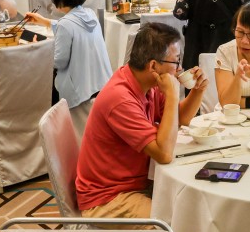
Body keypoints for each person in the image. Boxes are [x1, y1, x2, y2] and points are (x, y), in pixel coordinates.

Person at [76, 22, 206, 216]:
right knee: (176, 225)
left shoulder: (146, 83)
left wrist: (197, 91)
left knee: (191, 206)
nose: (180, 69)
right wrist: (172, 95)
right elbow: (164, 154)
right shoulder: (120, 99)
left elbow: (181, 120)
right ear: (153, 65)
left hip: (135, 182)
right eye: (176, 61)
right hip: (108, 198)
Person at [25, 0, 113, 136]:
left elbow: (59, 61)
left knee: (44, 85)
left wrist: (39, 47)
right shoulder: (89, 14)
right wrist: (45, 22)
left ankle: (47, 136)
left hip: (81, 91)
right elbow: (73, 27)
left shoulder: (66, 24)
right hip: (100, 83)